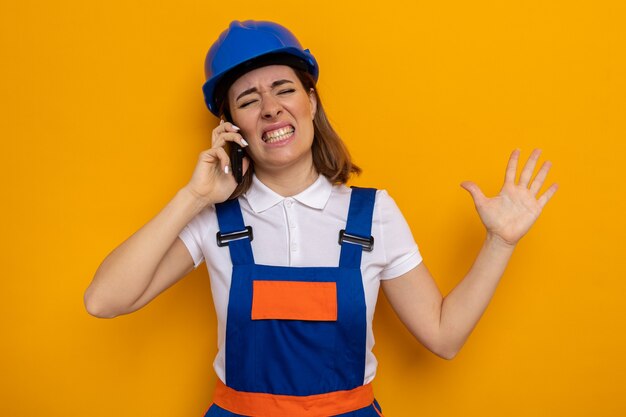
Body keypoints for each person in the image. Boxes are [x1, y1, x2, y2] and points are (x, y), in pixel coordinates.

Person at [84, 20, 558, 417]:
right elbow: (104, 301)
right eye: (247, 100)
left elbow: (444, 337)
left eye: (284, 89)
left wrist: (501, 242)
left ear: (311, 102)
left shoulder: (373, 215)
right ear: (231, 126)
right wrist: (193, 197)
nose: (271, 107)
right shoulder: (215, 219)